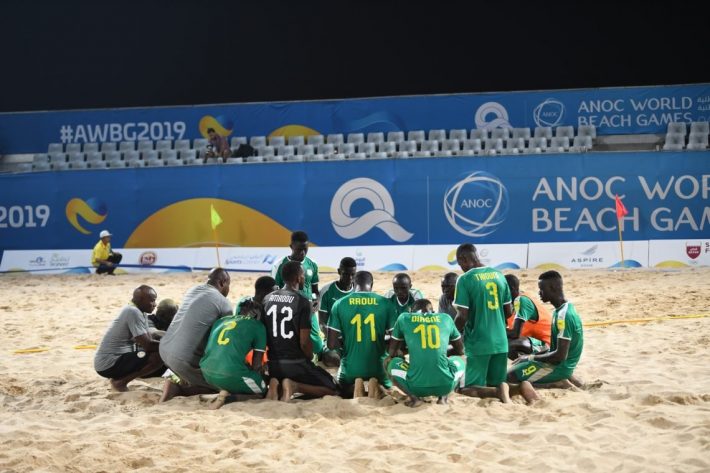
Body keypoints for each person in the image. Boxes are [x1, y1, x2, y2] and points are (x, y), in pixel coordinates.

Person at [263, 261, 337, 402]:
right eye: (303, 276)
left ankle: (275, 384)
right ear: (298, 278)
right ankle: (295, 387)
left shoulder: (267, 298)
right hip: (295, 363)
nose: (304, 279)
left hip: (273, 364)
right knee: (333, 388)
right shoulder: (302, 301)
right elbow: (304, 343)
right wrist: (308, 358)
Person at [158, 268, 233, 402]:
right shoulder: (223, 302)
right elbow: (225, 340)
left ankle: (176, 377)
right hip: (183, 360)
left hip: (164, 350)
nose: (228, 289)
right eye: (229, 285)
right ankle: (178, 388)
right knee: (226, 385)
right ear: (222, 283)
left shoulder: (193, 290)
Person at [453, 243, 512, 403]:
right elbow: (509, 312)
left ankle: (498, 393)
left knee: (466, 389)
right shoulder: (499, 275)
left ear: (463, 259)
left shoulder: (465, 279)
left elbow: (462, 316)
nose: (461, 268)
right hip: (501, 341)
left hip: (479, 342)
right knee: (497, 382)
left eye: (460, 264)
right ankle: (519, 388)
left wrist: (450, 334)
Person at [326, 270, 397, 399]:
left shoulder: (340, 304)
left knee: (341, 387)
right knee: (388, 387)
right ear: (372, 284)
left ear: (353, 283)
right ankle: (377, 386)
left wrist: (343, 352)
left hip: (351, 367)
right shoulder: (386, 304)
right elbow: (395, 339)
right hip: (379, 367)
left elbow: (330, 344)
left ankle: (355, 387)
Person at [508, 271, 584, 389]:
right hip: (557, 362)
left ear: (552, 287)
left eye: (541, 289)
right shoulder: (561, 309)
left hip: (559, 367)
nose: (539, 293)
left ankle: (557, 383)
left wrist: (530, 357)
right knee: (515, 369)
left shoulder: (563, 316)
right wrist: (530, 358)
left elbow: (559, 356)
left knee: (509, 378)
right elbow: (555, 350)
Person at [384, 299, 465, 407]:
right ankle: (443, 397)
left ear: (411, 312)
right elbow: (460, 350)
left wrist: (412, 349)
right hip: (445, 385)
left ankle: (414, 398)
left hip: (416, 386)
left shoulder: (404, 318)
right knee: (461, 359)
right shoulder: (446, 318)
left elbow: (392, 352)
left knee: (388, 362)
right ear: (433, 311)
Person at [200, 299, 268, 409]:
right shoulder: (258, 326)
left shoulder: (220, 321)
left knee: (237, 373)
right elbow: (257, 365)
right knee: (262, 392)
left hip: (206, 373)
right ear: (257, 315)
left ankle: (221, 392)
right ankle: (227, 399)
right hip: (228, 374)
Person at [94, 285, 163, 391]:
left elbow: (148, 340)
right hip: (108, 363)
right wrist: (170, 344)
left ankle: (120, 379)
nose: (155, 304)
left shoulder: (139, 311)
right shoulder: (132, 312)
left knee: (159, 349)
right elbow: (148, 346)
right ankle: (120, 382)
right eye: (152, 301)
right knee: (159, 356)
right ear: (140, 300)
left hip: (114, 359)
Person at [271, 231, 323, 357]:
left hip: (308, 308)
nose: (302, 253)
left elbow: (315, 290)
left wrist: (316, 300)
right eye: (299, 249)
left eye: (305, 249)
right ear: (291, 247)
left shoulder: (312, 265)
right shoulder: (280, 265)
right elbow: (274, 291)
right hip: (287, 308)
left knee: (317, 347)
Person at [318, 257, 357, 367]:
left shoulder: (358, 291)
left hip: (354, 338)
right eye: (346, 274)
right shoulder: (327, 291)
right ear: (339, 271)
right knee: (331, 358)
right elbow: (322, 323)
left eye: (353, 274)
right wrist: (334, 340)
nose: (350, 278)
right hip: (333, 339)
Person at [504, 274, 552, 360]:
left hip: (548, 344)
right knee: (502, 341)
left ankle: (530, 364)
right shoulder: (510, 302)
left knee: (509, 344)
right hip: (534, 340)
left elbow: (515, 334)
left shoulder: (522, 301)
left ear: (511, 289)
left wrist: (495, 330)